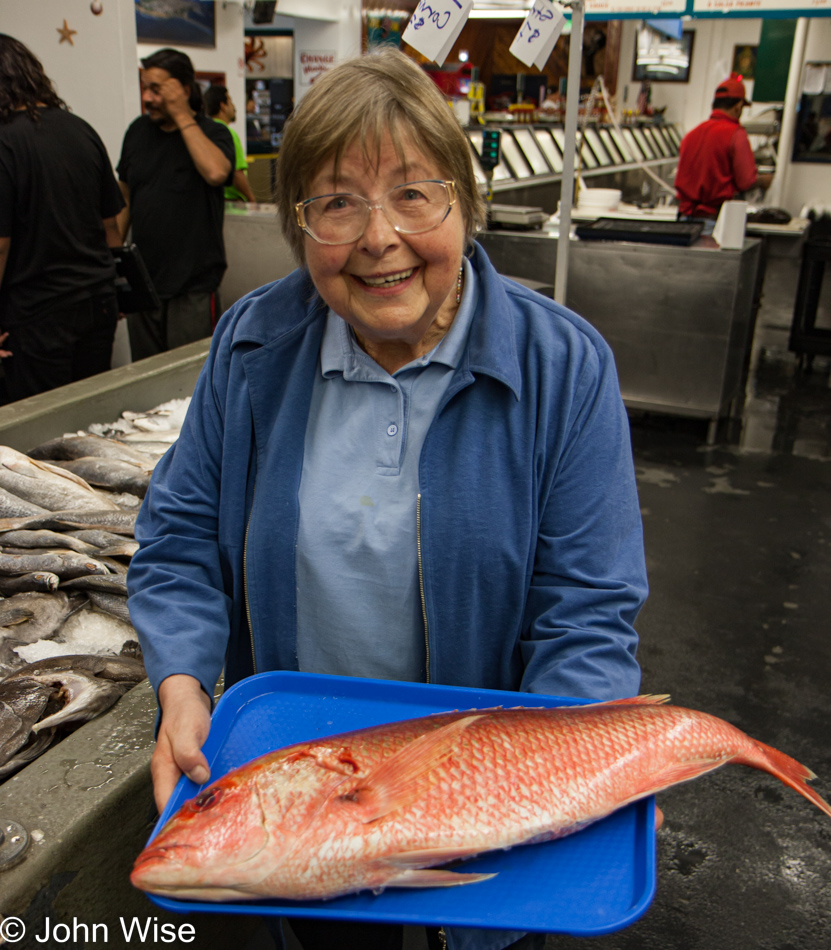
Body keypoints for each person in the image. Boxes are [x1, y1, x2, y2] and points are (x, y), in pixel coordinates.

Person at [127, 49, 648, 950]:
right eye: (335, 202)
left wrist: (568, 777)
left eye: (414, 193)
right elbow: (177, 541)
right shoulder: (256, 344)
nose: (377, 237)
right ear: (298, 227)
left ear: (465, 203)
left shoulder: (561, 365)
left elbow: (588, 613)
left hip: (486, 793)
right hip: (306, 776)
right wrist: (179, 685)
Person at [0, 34, 124, 402]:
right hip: (98, 302)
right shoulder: (80, 128)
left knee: (41, 433)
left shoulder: (5, 141)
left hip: (38, 315)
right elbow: (111, 226)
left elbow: (1, 247)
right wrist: (114, 286)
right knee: (90, 420)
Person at [116, 48, 235, 361]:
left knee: (190, 381)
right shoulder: (137, 132)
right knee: (147, 378)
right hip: (144, 285)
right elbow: (124, 199)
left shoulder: (214, 133)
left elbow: (216, 172)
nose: (148, 98)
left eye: (157, 89)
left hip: (192, 288)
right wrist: (112, 269)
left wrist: (182, 114)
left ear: (184, 89)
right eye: (144, 88)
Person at [675, 74, 774, 219]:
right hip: (713, 218)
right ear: (738, 106)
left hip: (684, 216)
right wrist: (763, 181)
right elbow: (746, 181)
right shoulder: (735, 134)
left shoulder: (691, 135)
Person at [203, 84, 256, 203]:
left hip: (212, 200)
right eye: (230, 102)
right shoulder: (228, 133)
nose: (234, 107)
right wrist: (251, 199)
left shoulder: (203, 132)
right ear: (223, 106)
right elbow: (237, 174)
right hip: (232, 202)